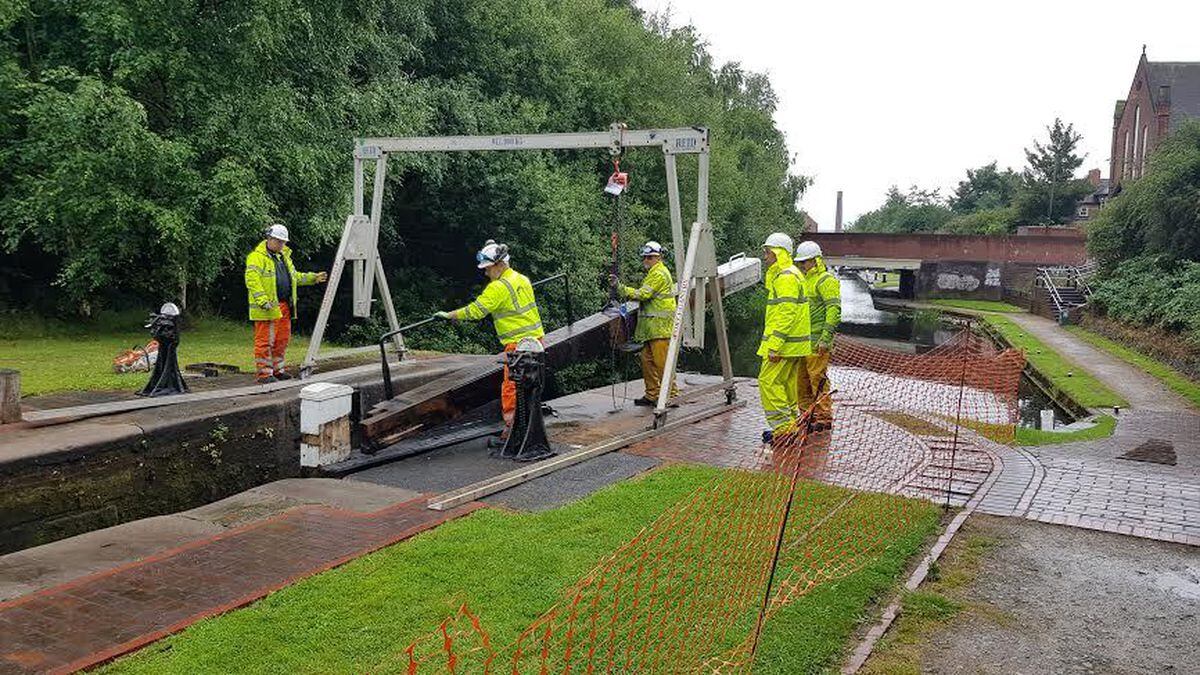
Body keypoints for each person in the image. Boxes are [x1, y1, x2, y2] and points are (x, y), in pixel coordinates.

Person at [435, 240, 544, 441]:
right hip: (536, 339)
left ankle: (513, 429)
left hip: (517, 344)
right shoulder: (522, 279)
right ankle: (527, 423)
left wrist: (449, 315)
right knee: (530, 383)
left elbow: (476, 311)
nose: (486, 273)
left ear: (499, 265)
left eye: (488, 269)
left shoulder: (498, 288)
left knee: (511, 385)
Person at [244, 224, 327, 383]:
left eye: (283, 242)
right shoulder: (256, 257)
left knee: (281, 340)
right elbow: (253, 281)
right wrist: (262, 300)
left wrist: (312, 278)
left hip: (284, 306)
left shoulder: (284, 258)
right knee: (265, 342)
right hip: (267, 308)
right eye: (279, 241)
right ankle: (264, 374)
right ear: (269, 239)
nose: (282, 245)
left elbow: (294, 277)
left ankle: (278, 370)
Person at [757, 232, 811, 443]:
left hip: (784, 345)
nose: (765, 256)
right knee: (786, 385)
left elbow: (786, 313)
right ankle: (791, 427)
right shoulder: (794, 274)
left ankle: (783, 429)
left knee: (768, 382)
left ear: (778, 252)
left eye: (767, 251)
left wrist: (775, 345)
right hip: (794, 346)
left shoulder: (786, 277)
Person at [611, 241, 678, 406]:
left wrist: (620, 288)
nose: (646, 260)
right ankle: (652, 394)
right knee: (647, 361)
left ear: (658, 257)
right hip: (652, 329)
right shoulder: (654, 272)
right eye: (645, 257)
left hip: (660, 328)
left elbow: (643, 294)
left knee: (662, 364)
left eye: (650, 257)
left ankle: (671, 396)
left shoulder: (659, 274)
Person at [794, 241, 841, 430]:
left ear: (815, 260)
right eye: (801, 262)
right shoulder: (806, 281)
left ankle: (823, 417)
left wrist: (825, 338)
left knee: (818, 380)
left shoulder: (825, 280)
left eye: (805, 262)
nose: (802, 266)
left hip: (817, 342)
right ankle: (807, 415)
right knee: (802, 381)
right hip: (804, 342)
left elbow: (834, 309)